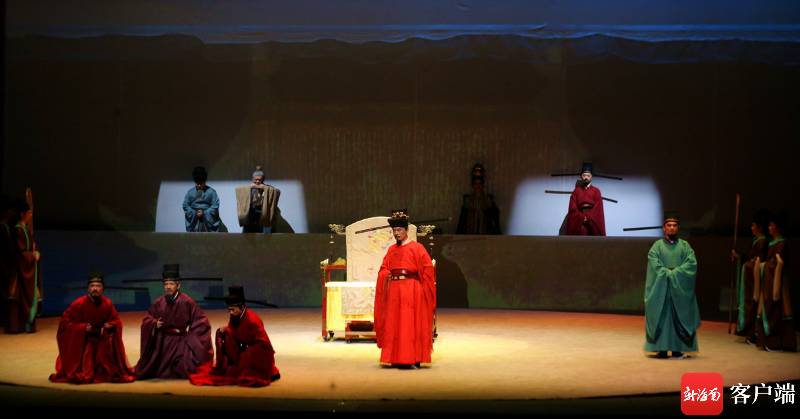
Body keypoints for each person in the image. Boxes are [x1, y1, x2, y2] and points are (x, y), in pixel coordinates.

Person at [374, 210, 436, 368]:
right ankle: (395, 358)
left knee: (409, 324)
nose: (396, 233)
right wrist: (386, 274)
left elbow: (428, 268)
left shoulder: (417, 248)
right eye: (394, 230)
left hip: (411, 290)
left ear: (407, 230)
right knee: (394, 324)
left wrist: (421, 286)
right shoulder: (391, 250)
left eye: (399, 230)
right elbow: (383, 268)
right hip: (395, 290)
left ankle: (413, 358)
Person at [49, 270, 135, 384]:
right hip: (84, 343)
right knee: (86, 375)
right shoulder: (79, 303)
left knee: (110, 371)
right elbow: (64, 323)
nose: (95, 288)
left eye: (98, 286)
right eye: (92, 286)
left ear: (103, 289)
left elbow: (116, 320)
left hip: (100, 341)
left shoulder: (107, 304)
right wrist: (81, 328)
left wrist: (111, 325)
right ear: (88, 289)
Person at [190, 286, 280, 387]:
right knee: (224, 333)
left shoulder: (253, 320)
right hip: (244, 351)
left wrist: (247, 352)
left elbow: (264, 344)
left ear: (241, 307)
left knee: (241, 374)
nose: (231, 312)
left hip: (256, 355)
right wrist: (224, 330)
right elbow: (233, 330)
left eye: (233, 309)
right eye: (229, 310)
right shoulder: (235, 317)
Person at [135, 264, 213, 379]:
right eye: (166, 284)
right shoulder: (159, 302)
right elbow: (147, 320)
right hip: (163, 341)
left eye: (171, 284)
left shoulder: (187, 301)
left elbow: (201, 322)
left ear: (178, 285)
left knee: (186, 369)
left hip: (180, 341)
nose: (168, 287)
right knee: (153, 368)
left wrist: (190, 339)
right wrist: (154, 324)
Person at [644, 211, 700, 358]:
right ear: (664, 228)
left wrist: (674, 273)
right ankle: (661, 349)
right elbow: (653, 264)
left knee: (679, 316)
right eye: (669, 225)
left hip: (679, 290)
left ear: (678, 228)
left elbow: (691, 264)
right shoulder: (657, 246)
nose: (672, 228)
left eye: (675, 225)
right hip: (661, 289)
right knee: (662, 316)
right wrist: (667, 272)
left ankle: (677, 349)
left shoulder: (685, 246)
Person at [755, 212, 796, 352]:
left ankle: (779, 342)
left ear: (778, 227)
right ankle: (769, 340)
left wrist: (764, 266)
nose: (769, 227)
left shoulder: (782, 243)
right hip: (769, 281)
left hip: (778, 282)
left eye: (772, 225)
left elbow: (778, 262)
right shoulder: (772, 243)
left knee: (780, 308)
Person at [732, 209, 771, 343]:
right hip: (752, 279)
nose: (751, 228)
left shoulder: (762, 242)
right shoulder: (757, 241)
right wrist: (739, 257)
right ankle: (751, 332)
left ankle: (756, 333)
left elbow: (758, 261)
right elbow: (751, 258)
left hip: (757, 280)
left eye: (754, 225)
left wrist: (746, 261)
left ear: (760, 227)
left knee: (755, 305)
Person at [5, 202, 42, 333]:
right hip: (20, 269)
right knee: (18, 295)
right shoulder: (18, 230)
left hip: (26, 265)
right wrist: (32, 257)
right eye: (29, 213)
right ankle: (18, 326)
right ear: (22, 214)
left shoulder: (25, 230)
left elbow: (32, 246)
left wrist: (36, 252)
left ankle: (26, 325)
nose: (31, 215)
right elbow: (20, 252)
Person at [457, 163, 501, 235]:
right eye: (476, 183)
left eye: (480, 183)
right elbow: (462, 221)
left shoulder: (489, 201)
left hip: (486, 234)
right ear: (473, 185)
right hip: (470, 234)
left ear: (483, 184)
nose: (478, 185)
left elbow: (494, 219)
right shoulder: (467, 201)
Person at [235, 166, 280, 233]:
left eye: (260, 180)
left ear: (263, 179)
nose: (258, 181)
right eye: (256, 179)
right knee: (250, 233)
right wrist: (249, 187)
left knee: (265, 233)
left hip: (264, 213)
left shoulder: (268, 188)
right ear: (253, 179)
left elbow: (277, 192)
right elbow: (238, 189)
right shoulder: (250, 188)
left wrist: (265, 188)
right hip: (252, 214)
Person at [566, 163, 606, 236]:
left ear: (591, 177)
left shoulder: (596, 191)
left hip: (592, 219)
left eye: (588, 176)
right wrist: (581, 218)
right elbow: (572, 208)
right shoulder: (576, 191)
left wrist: (589, 218)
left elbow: (598, 208)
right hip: (579, 219)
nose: (586, 177)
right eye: (584, 175)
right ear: (581, 176)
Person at [182, 166, 220, 232]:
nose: (199, 186)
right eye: (198, 184)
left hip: (208, 221)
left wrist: (204, 213)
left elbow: (215, 205)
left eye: (201, 183)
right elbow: (185, 205)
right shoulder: (190, 193)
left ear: (205, 182)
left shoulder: (212, 192)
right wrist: (195, 213)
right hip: (195, 219)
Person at [0, 196, 18, 329]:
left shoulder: (8, 228)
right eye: (11, 211)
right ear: (5, 212)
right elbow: (7, 249)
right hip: (3, 264)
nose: (13, 214)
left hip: (7, 264)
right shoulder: (1, 228)